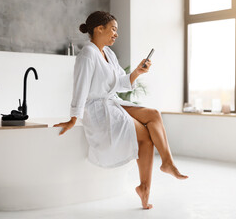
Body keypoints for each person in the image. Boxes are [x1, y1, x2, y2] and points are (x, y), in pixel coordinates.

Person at [53, 11, 188, 210]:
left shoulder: (109, 53)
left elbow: (120, 83)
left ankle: (167, 162)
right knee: (145, 137)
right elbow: (80, 87)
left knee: (154, 114)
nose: (116, 34)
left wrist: (137, 72)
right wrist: (74, 118)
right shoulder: (87, 54)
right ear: (99, 29)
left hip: (111, 101)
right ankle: (144, 188)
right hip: (97, 108)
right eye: (113, 29)